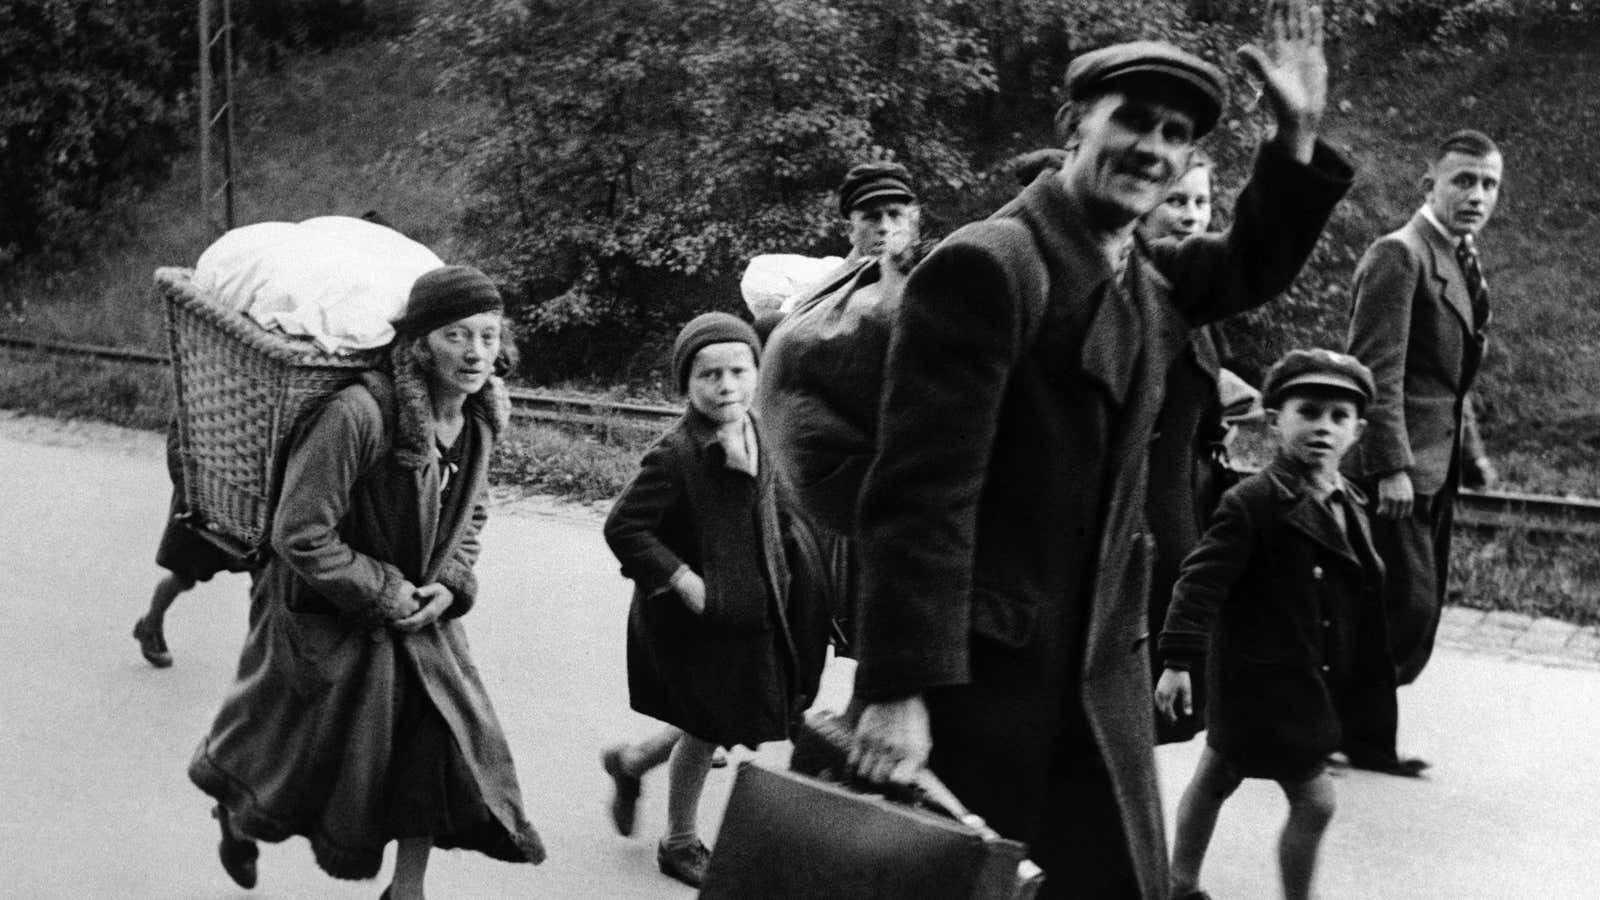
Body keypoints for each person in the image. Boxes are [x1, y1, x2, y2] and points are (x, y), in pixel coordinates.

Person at [846, 2, 1355, 895]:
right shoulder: (990, 266)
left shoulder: (1143, 274)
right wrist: (897, 687)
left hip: (1098, 678)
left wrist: (1297, 134)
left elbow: (1253, 262)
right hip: (982, 684)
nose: (1153, 148)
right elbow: (920, 497)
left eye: (1176, 134)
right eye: (1133, 120)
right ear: (1073, 126)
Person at [188, 266, 545, 898]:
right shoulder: (359, 413)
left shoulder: (483, 419)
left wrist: (453, 583)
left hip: (420, 618)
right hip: (325, 611)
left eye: (488, 337)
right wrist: (384, 592)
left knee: (435, 748)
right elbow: (300, 533)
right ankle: (234, 815)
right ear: (419, 345)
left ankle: (406, 892)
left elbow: (472, 513)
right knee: (288, 758)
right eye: (455, 336)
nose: (474, 353)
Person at [1156, 348, 1390, 900]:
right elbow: (1200, 581)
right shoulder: (1252, 502)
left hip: (1307, 676)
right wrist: (1177, 661)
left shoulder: (1349, 499)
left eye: (1339, 418)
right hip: (1262, 679)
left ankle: (1177, 882)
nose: (1323, 429)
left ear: (1358, 430)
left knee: (1218, 775)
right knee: (1315, 800)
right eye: (1307, 411)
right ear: (1275, 419)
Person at [600, 312, 810, 889]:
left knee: (721, 714)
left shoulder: (760, 429)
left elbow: (775, 512)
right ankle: (680, 842)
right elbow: (625, 528)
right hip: (695, 618)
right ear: (686, 385)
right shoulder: (675, 455)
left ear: (757, 374)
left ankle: (634, 760)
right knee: (707, 724)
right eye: (709, 375)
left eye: (739, 371)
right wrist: (685, 581)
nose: (726, 387)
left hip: (752, 609)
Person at [1343, 128, 1503, 775]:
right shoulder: (1399, 255)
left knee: (1410, 608)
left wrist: (1474, 456)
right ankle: (1356, 735)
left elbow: (1448, 380)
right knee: (1403, 608)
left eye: (1489, 183)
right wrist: (1391, 466)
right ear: (1428, 184)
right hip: (1399, 470)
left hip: (1436, 466)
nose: (1476, 195)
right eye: (1463, 180)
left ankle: (1346, 727)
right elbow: (1375, 370)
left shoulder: (1460, 258)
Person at [757, 162, 923, 651]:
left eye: (896, 214)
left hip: (888, 484)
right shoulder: (826, 292)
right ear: (849, 224)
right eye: (871, 216)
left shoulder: (929, 278)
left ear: (915, 217)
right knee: (798, 628)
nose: (885, 228)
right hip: (823, 487)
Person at [1137, 151, 1263, 745]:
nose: (1190, 215)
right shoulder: (1131, 289)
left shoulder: (1193, 298)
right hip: (1140, 520)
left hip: (1182, 509)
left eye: (1201, 202)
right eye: (1176, 200)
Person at [132, 424, 254, 667]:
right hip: (200, 501)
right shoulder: (192, 396)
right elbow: (178, 449)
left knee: (264, 575)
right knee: (184, 576)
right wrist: (192, 491)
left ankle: (264, 653)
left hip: (242, 498)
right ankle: (151, 624)